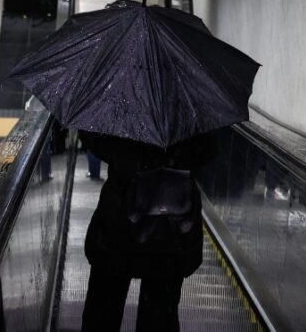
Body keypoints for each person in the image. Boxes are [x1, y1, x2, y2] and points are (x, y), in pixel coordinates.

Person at [81, 133, 215, 331]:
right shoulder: (192, 109)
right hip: (171, 227)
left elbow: (93, 138)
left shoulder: (122, 104)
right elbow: (208, 150)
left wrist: (127, 157)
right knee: (159, 315)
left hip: (119, 220)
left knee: (103, 311)